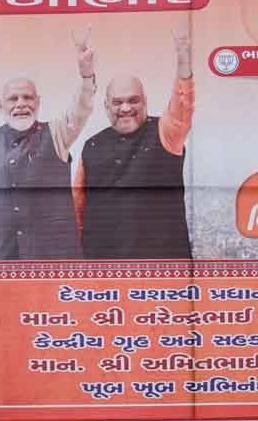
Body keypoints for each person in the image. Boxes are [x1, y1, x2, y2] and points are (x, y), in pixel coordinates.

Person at [0, 29, 96, 260]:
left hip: (51, 263)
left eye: (27, 98)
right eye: (13, 99)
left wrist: (86, 77)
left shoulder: (56, 132)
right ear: (0, 105)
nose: (21, 104)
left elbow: (80, 110)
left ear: (38, 103)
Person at [74, 31, 194, 259]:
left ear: (145, 101)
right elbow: (77, 207)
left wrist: (183, 63)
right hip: (103, 269)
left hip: (160, 269)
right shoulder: (92, 145)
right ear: (106, 106)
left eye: (133, 100)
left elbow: (182, 107)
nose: (126, 108)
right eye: (117, 102)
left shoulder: (166, 132)